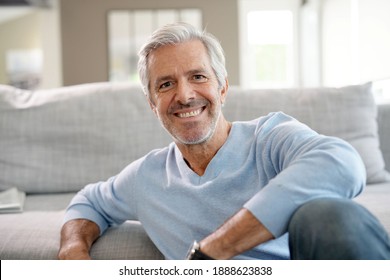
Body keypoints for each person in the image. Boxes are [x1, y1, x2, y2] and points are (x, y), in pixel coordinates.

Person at [58, 22, 390, 260]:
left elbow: (342, 163)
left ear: (222, 88)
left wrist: (215, 249)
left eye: (198, 77)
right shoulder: (146, 177)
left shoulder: (269, 137)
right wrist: (73, 253)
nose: (185, 96)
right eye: (165, 85)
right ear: (152, 103)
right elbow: (89, 202)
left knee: (326, 214)